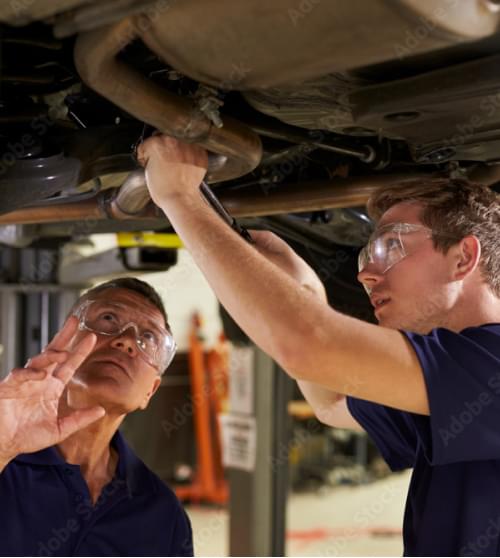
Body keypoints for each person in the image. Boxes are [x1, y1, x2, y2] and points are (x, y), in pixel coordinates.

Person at [138, 135, 500, 556]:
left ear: (463, 258)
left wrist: (180, 197)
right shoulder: (457, 383)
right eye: (368, 256)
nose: (366, 275)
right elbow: (333, 402)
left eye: (389, 246)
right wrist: (306, 288)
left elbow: (309, 346)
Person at [0, 277, 193, 557]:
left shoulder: (162, 513)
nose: (127, 340)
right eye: (108, 318)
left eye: (148, 337)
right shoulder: (7, 457)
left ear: (149, 392)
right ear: (63, 344)